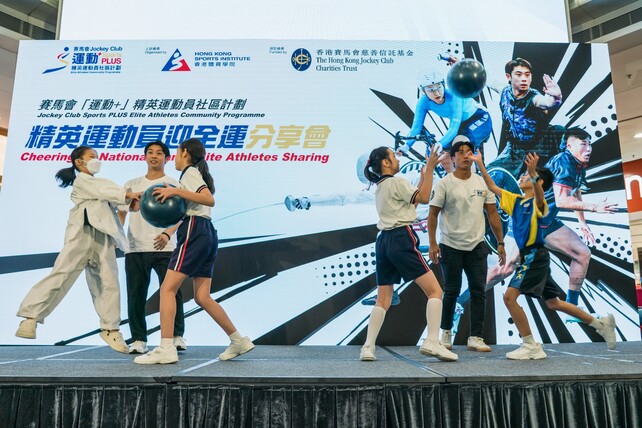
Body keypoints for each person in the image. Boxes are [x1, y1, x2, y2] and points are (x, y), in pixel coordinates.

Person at [472, 150, 617, 359]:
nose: (522, 177)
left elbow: (539, 196)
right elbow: (492, 186)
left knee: (509, 297)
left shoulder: (539, 205)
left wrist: (532, 173)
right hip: (533, 258)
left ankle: (530, 345)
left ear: (537, 182)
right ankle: (601, 325)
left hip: (534, 257)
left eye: (526, 176)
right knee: (553, 303)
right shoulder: (515, 201)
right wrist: (480, 163)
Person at [134, 138, 254, 364]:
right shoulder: (191, 175)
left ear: (185, 152)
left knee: (167, 289)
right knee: (202, 297)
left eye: (177, 152)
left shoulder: (189, 172)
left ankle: (166, 347)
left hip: (195, 231)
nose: (175, 159)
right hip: (206, 232)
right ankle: (238, 340)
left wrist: (175, 192)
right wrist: (170, 224)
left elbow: (208, 199)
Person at [483, 127, 619, 321]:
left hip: (546, 223)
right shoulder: (564, 161)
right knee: (505, 269)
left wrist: (582, 223)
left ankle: (573, 309)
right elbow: (562, 200)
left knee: (582, 253)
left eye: (589, 144)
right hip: (527, 220)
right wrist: (594, 207)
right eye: (583, 144)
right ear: (569, 146)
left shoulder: (578, 165)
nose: (588, 148)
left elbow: (574, 191)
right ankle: (458, 303)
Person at [15, 146, 140, 353]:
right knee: (62, 274)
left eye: (97, 157)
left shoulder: (102, 183)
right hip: (81, 234)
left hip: (103, 237)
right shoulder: (82, 180)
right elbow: (107, 192)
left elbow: (116, 201)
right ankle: (30, 317)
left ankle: (111, 328)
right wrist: (127, 195)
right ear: (79, 162)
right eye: (92, 156)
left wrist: (132, 202)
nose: (97, 160)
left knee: (109, 282)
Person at [359, 145, 457, 362]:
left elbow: (414, 199)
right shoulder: (397, 181)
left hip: (383, 242)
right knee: (435, 291)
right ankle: (432, 341)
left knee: (383, 300)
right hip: (401, 238)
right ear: (385, 163)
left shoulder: (381, 186)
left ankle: (368, 347)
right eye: (393, 156)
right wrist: (429, 169)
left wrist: (423, 177)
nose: (397, 159)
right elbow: (424, 198)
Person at [428, 137, 506, 352]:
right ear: (452, 158)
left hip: (476, 246)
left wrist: (500, 242)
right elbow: (432, 215)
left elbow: (492, 213)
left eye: (468, 152)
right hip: (450, 245)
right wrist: (433, 243)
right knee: (451, 291)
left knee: (478, 291)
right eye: (460, 152)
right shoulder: (444, 184)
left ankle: (476, 337)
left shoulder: (482, 183)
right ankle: (445, 334)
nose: (465, 156)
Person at [118, 141, 187, 354]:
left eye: (159, 153)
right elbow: (121, 212)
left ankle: (176, 336)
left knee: (172, 293)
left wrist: (167, 234)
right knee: (136, 295)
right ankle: (139, 339)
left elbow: (183, 215)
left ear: (167, 158)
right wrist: (118, 238)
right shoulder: (131, 184)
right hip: (135, 247)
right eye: (150, 152)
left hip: (166, 247)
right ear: (145, 156)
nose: (154, 156)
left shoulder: (173, 184)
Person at [397, 69, 492, 170]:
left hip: (480, 118)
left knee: (460, 143)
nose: (436, 92)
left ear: (443, 85)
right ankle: (453, 179)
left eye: (439, 87)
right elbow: (416, 127)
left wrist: (440, 144)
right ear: (423, 91)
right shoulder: (423, 101)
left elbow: (454, 128)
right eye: (430, 89)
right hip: (462, 124)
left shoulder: (454, 96)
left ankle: (471, 179)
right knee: (443, 156)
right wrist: (406, 147)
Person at [487, 58, 563, 179]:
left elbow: (548, 103)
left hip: (538, 148)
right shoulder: (504, 91)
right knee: (491, 175)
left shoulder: (534, 97)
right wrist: (460, 64)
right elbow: (485, 79)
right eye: (519, 74)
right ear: (508, 76)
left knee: (534, 181)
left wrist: (556, 97)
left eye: (527, 75)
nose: (524, 79)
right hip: (514, 149)